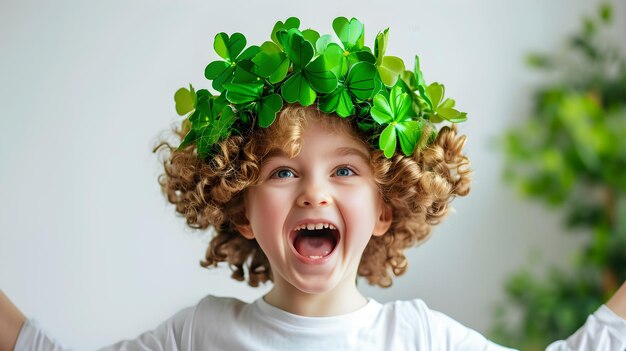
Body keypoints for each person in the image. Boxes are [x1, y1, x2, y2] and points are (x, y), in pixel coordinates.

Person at [2, 17, 626, 351]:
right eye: (281, 172)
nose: (314, 192)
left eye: (346, 170)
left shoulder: (416, 338)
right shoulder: (201, 335)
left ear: (386, 207)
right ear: (243, 209)